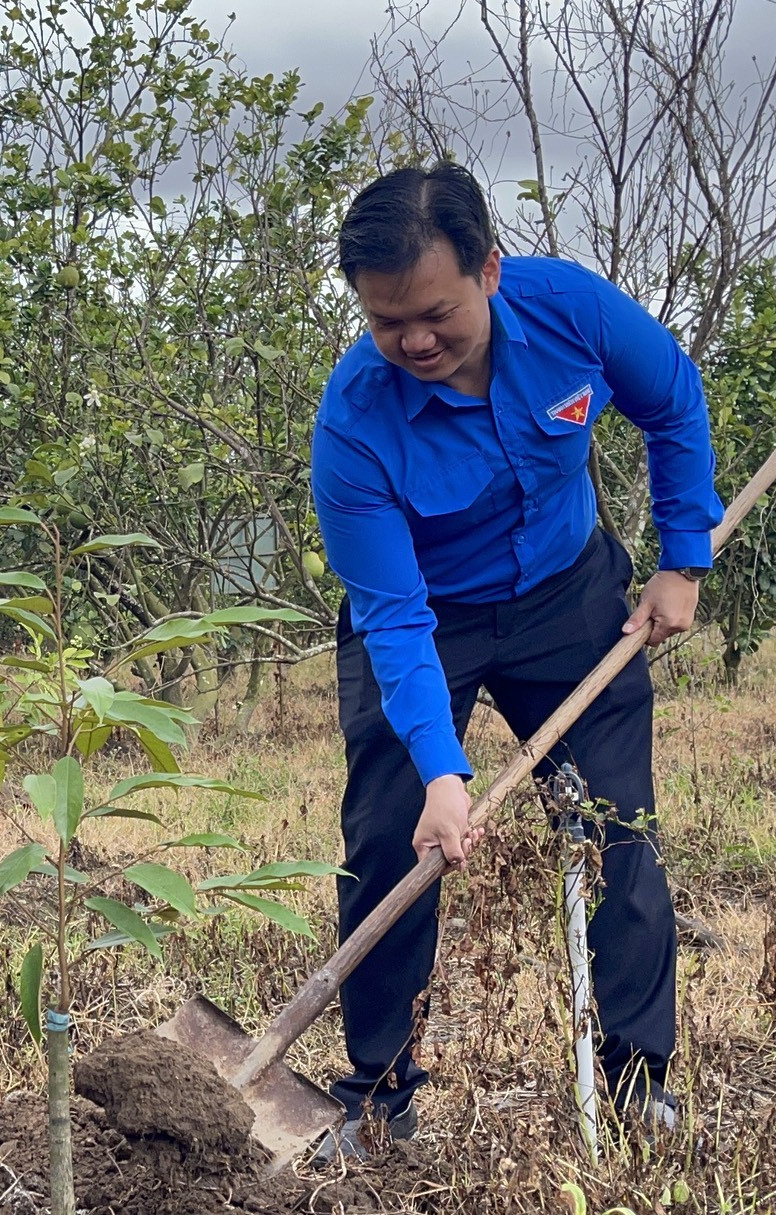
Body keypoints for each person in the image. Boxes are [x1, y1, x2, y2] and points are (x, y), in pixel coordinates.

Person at [309, 164, 721, 1159]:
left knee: (615, 827)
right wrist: (440, 776)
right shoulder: (353, 424)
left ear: (490, 271)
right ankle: (378, 1096)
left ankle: (635, 1083)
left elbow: (671, 403)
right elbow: (394, 616)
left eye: (434, 313)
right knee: (388, 844)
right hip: (424, 623)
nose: (412, 341)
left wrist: (682, 560)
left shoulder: (572, 311)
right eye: (384, 321)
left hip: (566, 600)